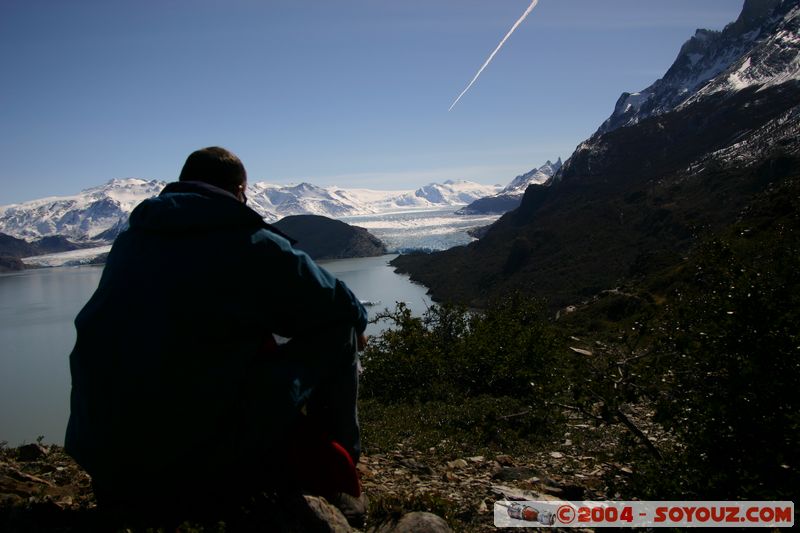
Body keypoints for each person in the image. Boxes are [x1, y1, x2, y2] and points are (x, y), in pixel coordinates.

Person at [65, 147, 368, 517]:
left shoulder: (133, 238)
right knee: (340, 329)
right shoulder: (247, 239)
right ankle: (339, 475)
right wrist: (356, 325)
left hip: (105, 457)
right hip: (193, 454)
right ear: (240, 189)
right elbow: (335, 301)